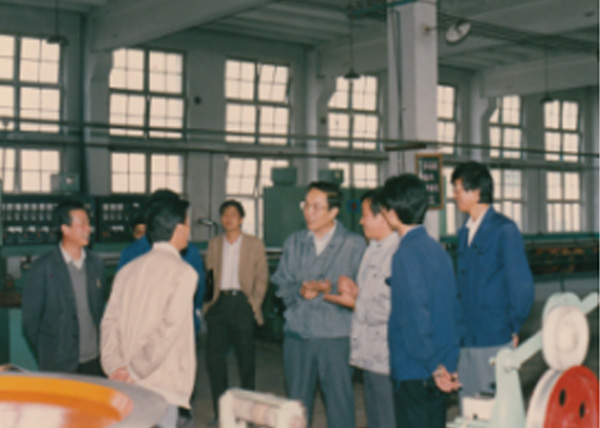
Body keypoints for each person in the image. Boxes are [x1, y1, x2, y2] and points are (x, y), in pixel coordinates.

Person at [271, 181, 366, 428]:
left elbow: (365, 292)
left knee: (339, 406)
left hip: (335, 339)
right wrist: (300, 291)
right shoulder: (294, 242)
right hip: (298, 338)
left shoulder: (354, 245)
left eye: (316, 207)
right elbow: (280, 283)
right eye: (306, 205)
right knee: (296, 409)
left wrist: (334, 290)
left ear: (334, 211)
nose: (309, 213)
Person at [101, 196, 198, 428]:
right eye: (188, 224)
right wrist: (135, 369)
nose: (189, 231)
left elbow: (109, 322)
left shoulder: (127, 271)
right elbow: (167, 330)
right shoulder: (184, 274)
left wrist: (116, 367)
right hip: (162, 386)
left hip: (125, 385)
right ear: (178, 229)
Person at [379, 174, 461, 428]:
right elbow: (452, 311)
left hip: (416, 368)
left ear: (392, 213)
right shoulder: (437, 250)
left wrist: (434, 366)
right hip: (441, 365)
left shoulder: (404, 254)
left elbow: (415, 319)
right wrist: (446, 364)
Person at [451, 161, 534, 405]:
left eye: (458, 189)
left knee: (496, 408)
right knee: (470, 408)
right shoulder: (465, 233)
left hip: (493, 336)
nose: (454, 195)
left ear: (476, 192)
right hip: (466, 337)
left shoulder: (504, 230)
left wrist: (513, 327)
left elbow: (521, 286)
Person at [324, 189, 399, 428]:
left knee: (388, 419)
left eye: (365, 215)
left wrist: (355, 303)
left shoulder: (397, 253)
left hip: (386, 356)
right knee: (375, 419)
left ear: (383, 216)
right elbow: (375, 295)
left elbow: (390, 308)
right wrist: (355, 291)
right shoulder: (372, 249)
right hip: (369, 353)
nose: (360, 221)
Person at [203, 200, 269, 425]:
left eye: (233, 214)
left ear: (241, 219)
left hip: (243, 304)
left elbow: (262, 277)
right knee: (214, 361)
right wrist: (208, 306)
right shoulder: (214, 244)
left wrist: (254, 303)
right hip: (219, 305)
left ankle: (248, 415)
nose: (228, 218)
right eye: (224, 214)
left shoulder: (254, 244)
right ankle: (222, 414)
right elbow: (210, 277)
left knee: (246, 363)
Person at [22, 200, 106, 375]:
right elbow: (30, 322)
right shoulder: (42, 268)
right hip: (59, 364)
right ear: (65, 229)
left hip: (95, 361)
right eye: (82, 224)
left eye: (88, 223)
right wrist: (49, 354)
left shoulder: (96, 264)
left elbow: (99, 313)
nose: (88, 229)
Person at [117, 189, 205, 336]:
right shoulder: (190, 252)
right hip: (179, 332)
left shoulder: (130, 253)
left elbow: (120, 300)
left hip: (138, 332)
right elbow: (198, 294)